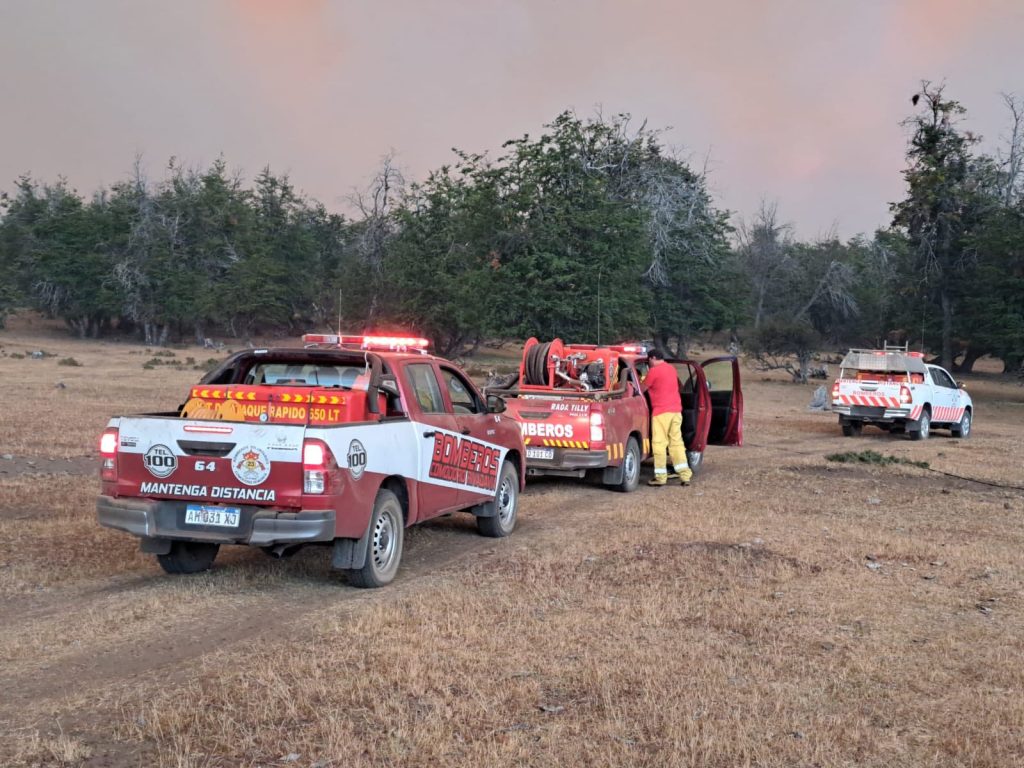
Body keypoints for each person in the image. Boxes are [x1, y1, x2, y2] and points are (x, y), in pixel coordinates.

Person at [642, 349, 692, 486]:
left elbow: (642, 388)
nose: (649, 363)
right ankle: (685, 475)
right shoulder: (671, 369)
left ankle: (660, 477)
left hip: (661, 412)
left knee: (659, 444)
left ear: (653, 358)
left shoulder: (653, 371)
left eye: (649, 360)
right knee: (676, 443)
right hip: (676, 412)